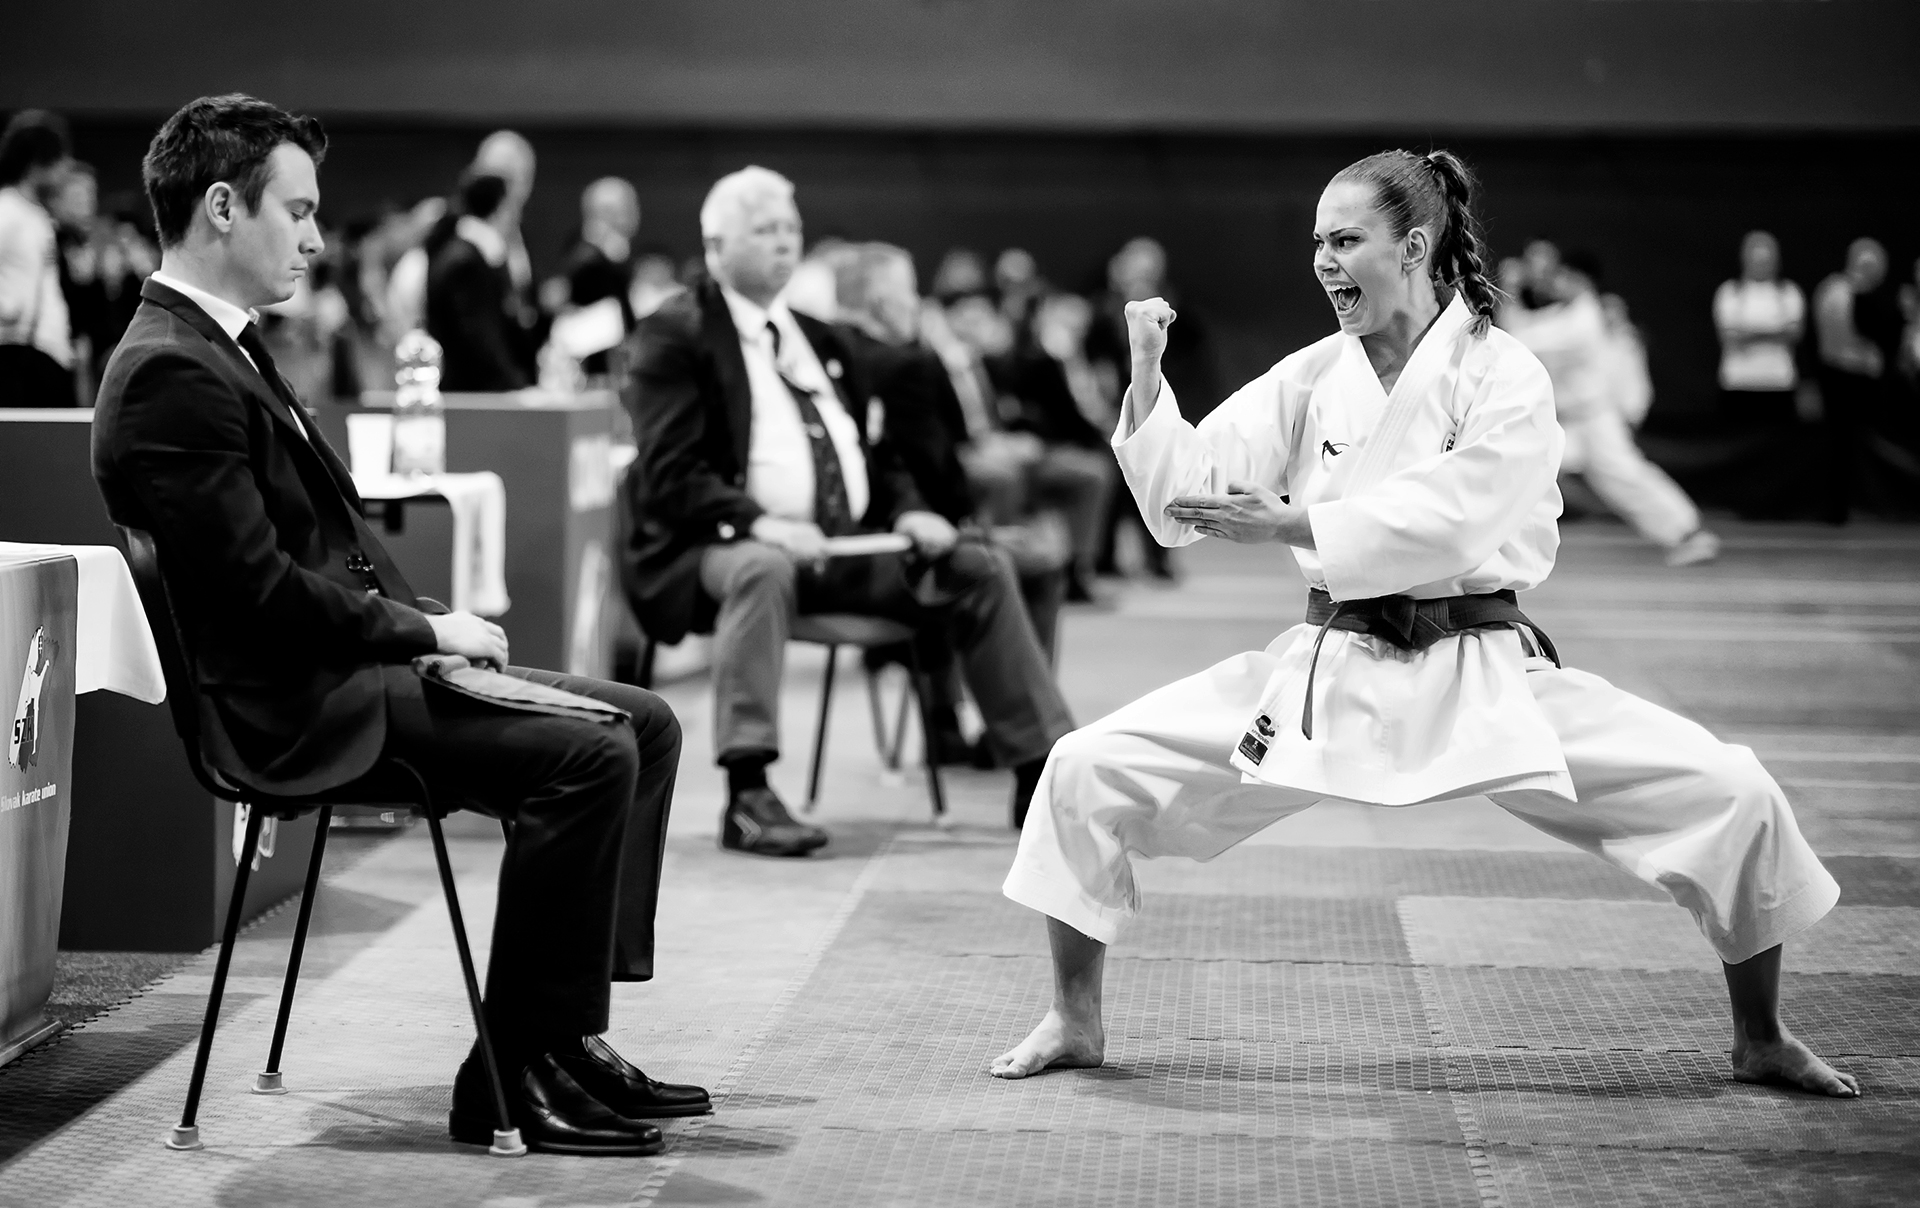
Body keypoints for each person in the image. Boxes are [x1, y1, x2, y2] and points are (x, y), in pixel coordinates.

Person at [990, 149, 1857, 1102]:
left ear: (1413, 246)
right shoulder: (1312, 375)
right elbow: (1179, 505)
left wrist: (1299, 523)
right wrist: (1148, 377)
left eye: (1344, 240)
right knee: (1083, 767)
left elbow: (1459, 517)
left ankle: (1761, 1035)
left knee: (1732, 788)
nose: (1323, 261)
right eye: (1317, 241)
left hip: (1483, 672)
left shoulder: (1503, 373)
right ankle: (1074, 1019)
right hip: (1328, 672)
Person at [91, 94, 706, 1156]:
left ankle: (562, 1035)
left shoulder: (220, 347)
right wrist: (424, 635)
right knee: (592, 755)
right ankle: (509, 1070)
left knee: (644, 723)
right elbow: (259, 596)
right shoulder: (168, 371)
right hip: (296, 704)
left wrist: (422, 620)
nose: (317, 239)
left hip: (343, 666)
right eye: (299, 211)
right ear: (224, 207)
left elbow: (312, 556)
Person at [622, 167, 1074, 853]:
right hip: (717, 544)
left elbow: (875, 454)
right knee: (761, 568)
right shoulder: (675, 334)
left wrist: (908, 510)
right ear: (715, 245)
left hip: (842, 545)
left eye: (790, 229)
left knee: (975, 566)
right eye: (764, 230)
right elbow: (669, 473)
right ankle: (748, 794)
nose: (784, 241)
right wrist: (760, 522)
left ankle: (1039, 773)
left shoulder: (820, 338)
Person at [1506, 250, 1720, 566]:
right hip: (1569, 423)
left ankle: (1688, 532)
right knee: (1522, 471)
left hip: (1594, 420)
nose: (1557, 283)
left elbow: (1520, 338)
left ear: (1580, 280)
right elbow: (1526, 328)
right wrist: (1511, 292)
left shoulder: (1584, 319)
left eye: (1564, 276)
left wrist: (1510, 291)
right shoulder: (1566, 314)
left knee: (1625, 476)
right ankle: (1495, 547)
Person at [1813, 238, 1896, 523]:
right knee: (1842, 444)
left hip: (1847, 377)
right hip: (1845, 379)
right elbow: (1869, 332)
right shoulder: (1844, 292)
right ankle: (1841, 509)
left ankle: (1849, 507)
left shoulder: (1835, 289)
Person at [0, 109, 76, 407]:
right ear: (38, 161)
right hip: (17, 352)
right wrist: (8, 309)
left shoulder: (38, 215)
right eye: (59, 159)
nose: (66, 168)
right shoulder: (7, 210)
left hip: (49, 350)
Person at [425, 171, 529, 391]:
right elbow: (479, 336)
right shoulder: (466, 262)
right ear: (500, 207)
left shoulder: (464, 251)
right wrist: (513, 384)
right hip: (472, 393)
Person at [1714, 231, 1805, 430]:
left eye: (1766, 260)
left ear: (1776, 261)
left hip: (1779, 383)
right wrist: (1774, 333)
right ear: (1745, 260)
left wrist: (1749, 333)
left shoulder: (1789, 293)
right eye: (1756, 260)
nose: (1761, 265)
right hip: (1738, 384)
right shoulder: (1730, 292)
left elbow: (1794, 334)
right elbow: (1729, 337)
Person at [556, 176, 641, 378]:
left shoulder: (611, 258)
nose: (636, 214)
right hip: (595, 375)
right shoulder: (588, 264)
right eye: (629, 207)